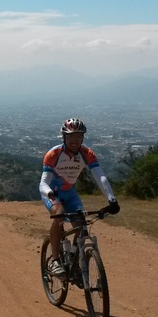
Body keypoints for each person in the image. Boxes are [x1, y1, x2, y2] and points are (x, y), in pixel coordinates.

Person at [39, 117, 119, 276]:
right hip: (53, 193)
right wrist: (49, 193)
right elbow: (43, 183)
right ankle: (55, 261)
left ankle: (73, 258)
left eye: (79, 136)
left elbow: (100, 177)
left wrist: (112, 199)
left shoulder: (87, 154)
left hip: (70, 193)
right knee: (59, 215)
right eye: (70, 136)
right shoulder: (53, 154)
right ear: (64, 137)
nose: (75, 140)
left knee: (81, 223)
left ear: (83, 137)